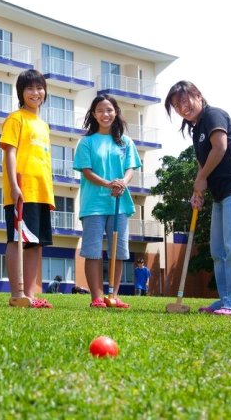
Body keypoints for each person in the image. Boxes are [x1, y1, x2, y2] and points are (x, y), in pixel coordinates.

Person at [165, 80, 231, 316]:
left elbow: (220, 147)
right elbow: (203, 165)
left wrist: (201, 178)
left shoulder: (213, 115)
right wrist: (198, 190)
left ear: (198, 95)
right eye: (177, 105)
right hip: (221, 194)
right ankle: (228, 299)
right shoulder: (197, 129)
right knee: (218, 249)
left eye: (185, 100)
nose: (182, 107)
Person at [74, 94, 142, 308]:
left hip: (119, 204)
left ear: (116, 112)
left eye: (110, 110)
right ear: (94, 114)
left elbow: (131, 168)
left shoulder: (125, 141)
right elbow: (86, 171)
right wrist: (107, 184)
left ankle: (113, 295)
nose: (106, 114)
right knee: (93, 250)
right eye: (101, 110)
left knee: (118, 250)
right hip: (93, 204)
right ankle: (97, 297)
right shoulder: (86, 142)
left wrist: (122, 182)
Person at [0, 69, 55, 308]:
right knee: (17, 240)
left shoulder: (43, 125)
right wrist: (13, 185)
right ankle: (17, 294)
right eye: (30, 88)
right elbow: (10, 153)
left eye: (39, 87)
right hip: (22, 189)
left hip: (41, 192)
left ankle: (30, 296)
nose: (36, 92)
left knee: (36, 243)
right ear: (21, 93)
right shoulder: (16, 118)